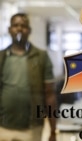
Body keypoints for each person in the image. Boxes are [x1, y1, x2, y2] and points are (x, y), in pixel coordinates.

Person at [0, 13, 57, 141]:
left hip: (31, 129)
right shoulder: (1, 57)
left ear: (29, 30)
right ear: (10, 30)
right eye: (15, 25)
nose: (19, 29)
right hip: (2, 128)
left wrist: (53, 130)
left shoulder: (41, 57)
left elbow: (50, 95)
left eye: (23, 26)